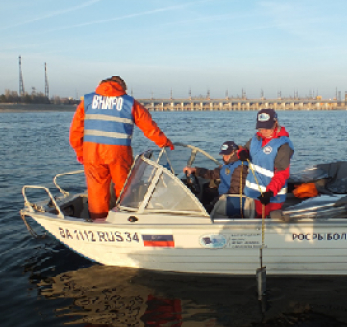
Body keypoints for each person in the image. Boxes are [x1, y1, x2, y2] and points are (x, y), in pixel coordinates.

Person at [69, 76, 173, 220]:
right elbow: (149, 128)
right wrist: (165, 143)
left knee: (97, 191)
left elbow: (75, 131)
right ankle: (123, 218)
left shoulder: (87, 101)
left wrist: (80, 152)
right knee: (125, 187)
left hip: (92, 153)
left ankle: (99, 221)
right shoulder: (129, 103)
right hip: (118, 153)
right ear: (121, 87)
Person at [238, 109, 294, 218]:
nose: (264, 130)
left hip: (271, 197)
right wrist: (242, 153)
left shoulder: (283, 145)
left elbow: (282, 173)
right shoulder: (255, 139)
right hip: (252, 194)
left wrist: (270, 192)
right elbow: (243, 149)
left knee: (268, 224)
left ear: (275, 123)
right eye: (261, 127)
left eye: (267, 127)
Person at [183, 141, 248, 196]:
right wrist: (196, 170)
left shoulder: (240, 167)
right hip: (224, 196)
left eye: (227, 154)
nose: (225, 157)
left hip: (229, 201)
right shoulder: (227, 165)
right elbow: (213, 174)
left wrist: (218, 200)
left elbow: (236, 192)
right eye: (224, 155)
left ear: (235, 152)